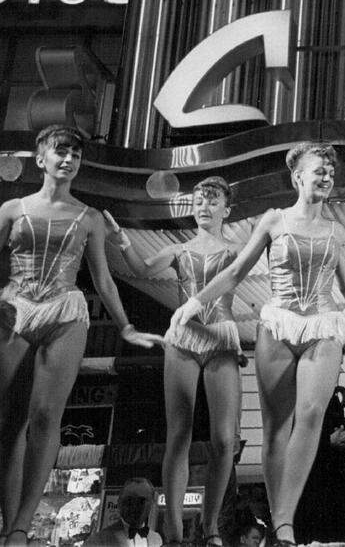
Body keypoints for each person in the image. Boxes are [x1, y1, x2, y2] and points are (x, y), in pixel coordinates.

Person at [170, 141, 345, 547]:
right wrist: (196, 302)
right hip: (278, 324)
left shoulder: (337, 231)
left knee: (310, 414)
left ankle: (285, 522)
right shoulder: (274, 220)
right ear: (297, 176)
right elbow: (235, 272)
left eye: (330, 172)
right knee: (275, 430)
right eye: (318, 170)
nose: (325, 177)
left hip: (322, 323)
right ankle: (278, 516)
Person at [0, 126, 162, 547]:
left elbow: (103, 280)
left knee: (45, 417)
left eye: (75, 153)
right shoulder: (12, 209)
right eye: (61, 151)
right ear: (41, 159)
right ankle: (7, 522)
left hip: (66, 312)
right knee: (10, 421)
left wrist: (125, 326)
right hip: (14, 308)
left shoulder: (88, 218)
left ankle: (20, 525)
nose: (69, 159)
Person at [106, 177, 242, 547]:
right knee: (177, 435)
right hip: (183, 338)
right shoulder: (179, 249)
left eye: (213, 200)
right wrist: (123, 241)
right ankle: (175, 528)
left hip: (221, 336)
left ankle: (211, 524)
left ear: (226, 210)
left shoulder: (236, 251)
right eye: (199, 200)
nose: (204, 206)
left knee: (225, 440)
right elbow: (141, 268)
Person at [294, 394, 345, 544]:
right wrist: (328, 441)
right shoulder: (295, 398)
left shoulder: (332, 399)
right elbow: (293, 443)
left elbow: (343, 430)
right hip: (310, 489)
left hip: (337, 490)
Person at [85, 478, 162, 547]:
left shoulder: (156, 540)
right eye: (129, 500)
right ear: (119, 503)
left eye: (141, 501)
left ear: (151, 505)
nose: (134, 506)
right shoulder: (97, 541)